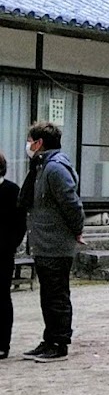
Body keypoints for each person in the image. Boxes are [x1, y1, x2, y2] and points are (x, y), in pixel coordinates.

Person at [20, 122, 85, 363]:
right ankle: (49, 338)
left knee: (56, 295)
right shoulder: (42, 166)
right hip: (45, 241)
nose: (28, 145)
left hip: (56, 243)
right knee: (48, 295)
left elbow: (72, 204)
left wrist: (78, 229)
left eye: (30, 141)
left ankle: (59, 343)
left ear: (39, 143)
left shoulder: (55, 168)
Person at [0, 150, 24, 359]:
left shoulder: (12, 191)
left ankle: (2, 343)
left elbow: (19, 225)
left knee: (2, 297)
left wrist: (10, 246)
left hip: (2, 253)